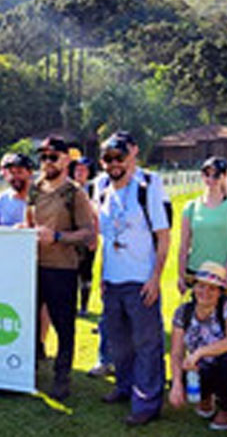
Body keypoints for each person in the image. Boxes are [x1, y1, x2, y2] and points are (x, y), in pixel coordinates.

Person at [95, 134, 170, 426]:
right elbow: (105, 238)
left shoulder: (148, 186)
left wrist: (155, 277)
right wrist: (102, 275)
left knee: (147, 343)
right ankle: (125, 386)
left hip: (140, 279)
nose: (114, 164)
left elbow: (163, 236)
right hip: (112, 279)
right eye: (108, 159)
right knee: (119, 342)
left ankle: (147, 401)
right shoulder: (100, 187)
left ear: (132, 155)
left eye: (120, 157)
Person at [24, 135, 95, 401]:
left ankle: (62, 376)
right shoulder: (35, 189)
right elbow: (29, 222)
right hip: (34, 267)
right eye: (43, 157)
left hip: (63, 269)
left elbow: (88, 233)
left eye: (53, 156)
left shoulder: (74, 193)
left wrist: (57, 237)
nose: (47, 162)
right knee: (30, 322)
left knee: (63, 326)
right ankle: (28, 370)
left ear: (66, 160)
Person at [168, 262, 227, 430]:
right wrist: (176, 384)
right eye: (201, 286)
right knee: (183, 376)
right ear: (194, 287)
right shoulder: (183, 312)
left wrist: (199, 353)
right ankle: (206, 398)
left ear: (220, 292)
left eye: (212, 288)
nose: (205, 292)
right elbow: (176, 352)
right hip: (201, 367)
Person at [178, 157, 227, 293]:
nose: (210, 179)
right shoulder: (190, 207)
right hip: (196, 272)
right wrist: (181, 275)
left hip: (224, 274)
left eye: (216, 175)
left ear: (224, 177)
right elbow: (184, 245)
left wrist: (226, 272)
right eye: (206, 174)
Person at [69, 157, 97, 316]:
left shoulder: (94, 189)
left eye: (83, 169)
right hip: (70, 236)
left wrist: (94, 237)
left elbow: (96, 215)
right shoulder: (67, 189)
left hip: (87, 237)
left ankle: (84, 305)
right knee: (70, 271)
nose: (79, 172)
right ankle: (70, 304)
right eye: (77, 169)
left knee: (86, 271)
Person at [0, 153, 33, 226]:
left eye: (19, 172)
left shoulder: (40, 198)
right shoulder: (2, 199)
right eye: (12, 173)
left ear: (29, 173)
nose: (15, 177)